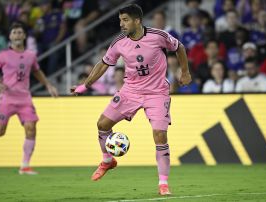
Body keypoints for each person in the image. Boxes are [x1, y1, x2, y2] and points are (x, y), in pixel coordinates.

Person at [70, 4, 191, 195]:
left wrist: (185, 72)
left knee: (160, 135)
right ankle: (108, 161)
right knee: (102, 124)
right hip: (130, 92)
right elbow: (104, 64)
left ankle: (163, 184)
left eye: (125, 20)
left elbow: (179, 47)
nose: (121, 24)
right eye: (120, 20)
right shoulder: (119, 42)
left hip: (157, 93)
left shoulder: (158, 36)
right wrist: (85, 85)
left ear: (137, 20)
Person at [0, 23, 58, 175]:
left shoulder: (30, 55)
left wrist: (48, 85)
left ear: (24, 36)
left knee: (31, 128)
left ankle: (25, 166)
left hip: (24, 99)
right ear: (10, 37)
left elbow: (36, 71)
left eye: (20, 32)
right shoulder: (2, 55)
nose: (17, 35)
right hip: (6, 98)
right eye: (14, 32)